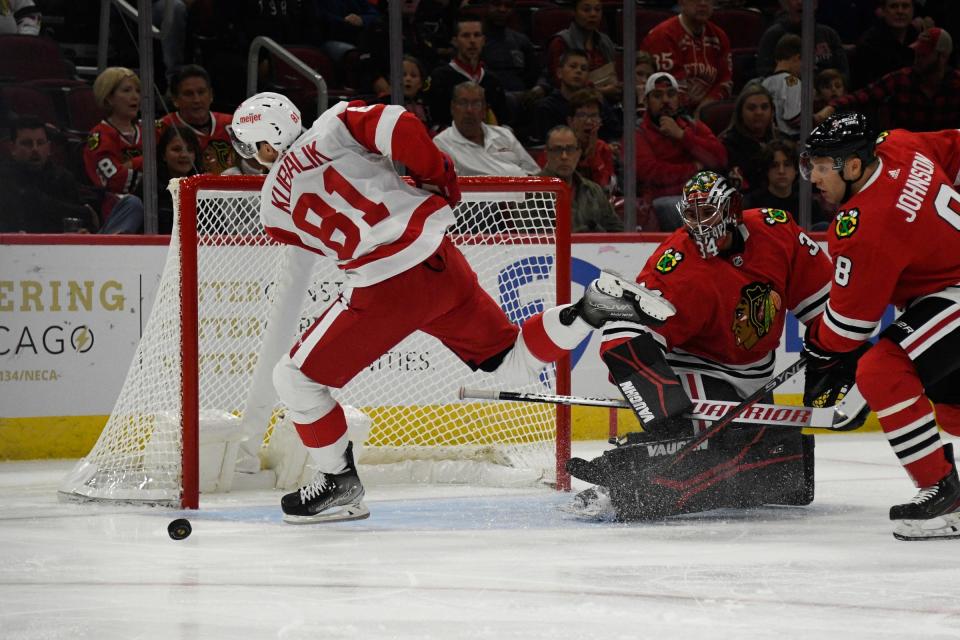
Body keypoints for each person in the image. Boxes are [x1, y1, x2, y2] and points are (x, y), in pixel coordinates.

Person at [226, 91, 675, 523]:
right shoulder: (334, 123)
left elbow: (308, 234)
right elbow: (400, 124)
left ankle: (338, 483)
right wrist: (436, 176)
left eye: (253, 148)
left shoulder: (271, 206)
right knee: (510, 362)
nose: (253, 156)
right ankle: (590, 310)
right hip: (438, 257)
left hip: (384, 288)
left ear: (267, 143)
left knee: (295, 378)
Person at [564, 170, 833, 520]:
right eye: (691, 215)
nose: (699, 225)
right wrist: (665, 410)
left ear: (731, 210)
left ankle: (645, 470)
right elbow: (622, 337)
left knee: (774, 462)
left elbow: (826, 304)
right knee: (709, 444)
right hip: (697, 370)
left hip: (754, 377)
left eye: (708, 213)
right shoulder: (676, 266)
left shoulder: (777, 231)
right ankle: (627, 473)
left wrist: (832, 357)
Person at [800, 112, 960, 541]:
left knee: (881, 370)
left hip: (954, 292)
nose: (812, 176)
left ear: (854, 167)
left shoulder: (864, 225)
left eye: (821, 166)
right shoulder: (900, 145)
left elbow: (850, 328)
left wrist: (818, 346)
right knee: (951, 407)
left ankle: (945, 497)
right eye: (810, 164)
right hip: (943, 291)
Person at [815, 27, 960, 132]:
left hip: (945, 154)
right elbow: (863, 95)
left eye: (923, 56)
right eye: (916, 54)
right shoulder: (902, 78)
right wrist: (831, 108)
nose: (916, 60)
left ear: (942, 57)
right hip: (907, 152)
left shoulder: (956, 83)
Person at [635, 72, 728, 231]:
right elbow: (651, 172)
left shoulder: (691, 126)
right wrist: (695, 169)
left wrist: (682, 136)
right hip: (660, 200)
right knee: (676, 208)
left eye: (670, 94)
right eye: (657, 96)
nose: (665, 100)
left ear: (678, 99)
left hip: (698, 197)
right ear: (646, 101)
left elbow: (720, 159)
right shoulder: (638, 132)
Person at [0, 118, 96, 233]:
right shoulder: (4, 178)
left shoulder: (63, 178)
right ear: (12, 148)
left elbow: (82, 221)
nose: (35, 149)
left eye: (40, 143)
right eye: (27, 143)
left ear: (49, 147)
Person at [640, 0, 733, 116]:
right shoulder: (662, 36)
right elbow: (666, 89)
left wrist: (705, 110)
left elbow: (724, 83)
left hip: (706, 115)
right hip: (667, 115)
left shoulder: (719, 37)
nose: (703, 3)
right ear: (681, 2)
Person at [83, 66, 145, 234]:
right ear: (108, 97)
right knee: (133, 203)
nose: (135, 97)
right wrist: (147, 162)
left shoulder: (151, 130)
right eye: (126, 90)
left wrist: (131, 164)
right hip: (116, 208)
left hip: (154, 203)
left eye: (138, 91)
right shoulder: (99, 135)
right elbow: (115, 180)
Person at [433, 81, 539, 177]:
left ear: (484, 110)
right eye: (463, 103)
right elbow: (452, 186)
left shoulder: (504, 134)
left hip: (523, 194)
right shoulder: (442, 143)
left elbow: (534, 173)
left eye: (476, 103)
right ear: (452, 108)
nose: (469, 110)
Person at [425, 17, 509, 131]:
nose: (472, 41)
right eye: (466, 35)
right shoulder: (439, 77)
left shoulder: (492, 81)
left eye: (477, 35)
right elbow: (435, 122)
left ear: (483, 40)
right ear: (455, 41)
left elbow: (503, 122)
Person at [538, 125, 622, 232]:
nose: (564, 156)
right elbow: (534, 238)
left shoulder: (593, 191)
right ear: (547, 154)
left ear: (578, 153)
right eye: (557, 150)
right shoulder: (531, 192)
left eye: (570, 149)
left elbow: (617, 231)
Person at [158, 65, 236, 175]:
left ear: (211, 95)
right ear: (175, 99)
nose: (197, 100)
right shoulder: (161, 128)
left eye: (201, 92)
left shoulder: (233, 124)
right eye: (188, 94)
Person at [545, 0, 620, 101]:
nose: (593, 14)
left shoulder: (606, 42)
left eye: (597, 10)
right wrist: (601, 92)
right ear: (574, 12)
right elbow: (559, 84)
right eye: (586, 9)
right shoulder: (560, 42)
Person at [742, 139, 826, 229]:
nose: (781, 171)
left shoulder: (808, 205)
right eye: (774, 165)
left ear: (797, 170)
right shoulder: (752, 204)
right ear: (766, 170)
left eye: (787, 164)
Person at [757, 0, 849, 80]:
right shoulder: (773, 36)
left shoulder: (829, 34)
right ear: (785, 4)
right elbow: (766, 75)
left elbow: (844, 75)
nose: (800, 2)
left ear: (815, 3)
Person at [853, 0, 928, 89]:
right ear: (883, 11)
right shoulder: (868, 44)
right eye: (893, 6)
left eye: (905, 6)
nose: (900, 11)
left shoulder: (919, 38)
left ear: (913, 10)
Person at [720, 83, 777, 193]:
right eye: (752, 108)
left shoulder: (780, 141)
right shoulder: (727, 145)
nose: (759, 112)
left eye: (764, 107)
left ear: (772, 111)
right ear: (740, 113)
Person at [154, 125, 202, 234]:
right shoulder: (150, 186)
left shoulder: (203, 187)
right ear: (163, 155)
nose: (184, 155)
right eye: (176, 149)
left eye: (190, 150)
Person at [566, 88, 615, 192]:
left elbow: (606, 189)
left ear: (600, 121)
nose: (588, 121)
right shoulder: (557, 146)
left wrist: (593, 155)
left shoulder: (603, 148)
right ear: (570, 121)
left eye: (593, 116)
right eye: (582, 115)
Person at [762, 34, 802, 139]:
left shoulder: (764, 82)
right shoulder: (792, 80)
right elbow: (794, 119)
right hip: (789, 143)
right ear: (797, 58)